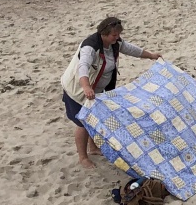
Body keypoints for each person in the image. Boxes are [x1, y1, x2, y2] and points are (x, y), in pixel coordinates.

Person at [60, 16, 161, 168]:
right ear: (104, 34)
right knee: (82, 122)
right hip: (78, 90)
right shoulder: (90, 47)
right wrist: (86, 87)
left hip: (97, 90)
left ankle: (93, 148)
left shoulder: (115, 43)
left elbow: (131, 49)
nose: (117, 38)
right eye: (114, 35)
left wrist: (151, 56)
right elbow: (83, 67)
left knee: (93, 119)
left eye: (118, 35)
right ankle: (83, 157)